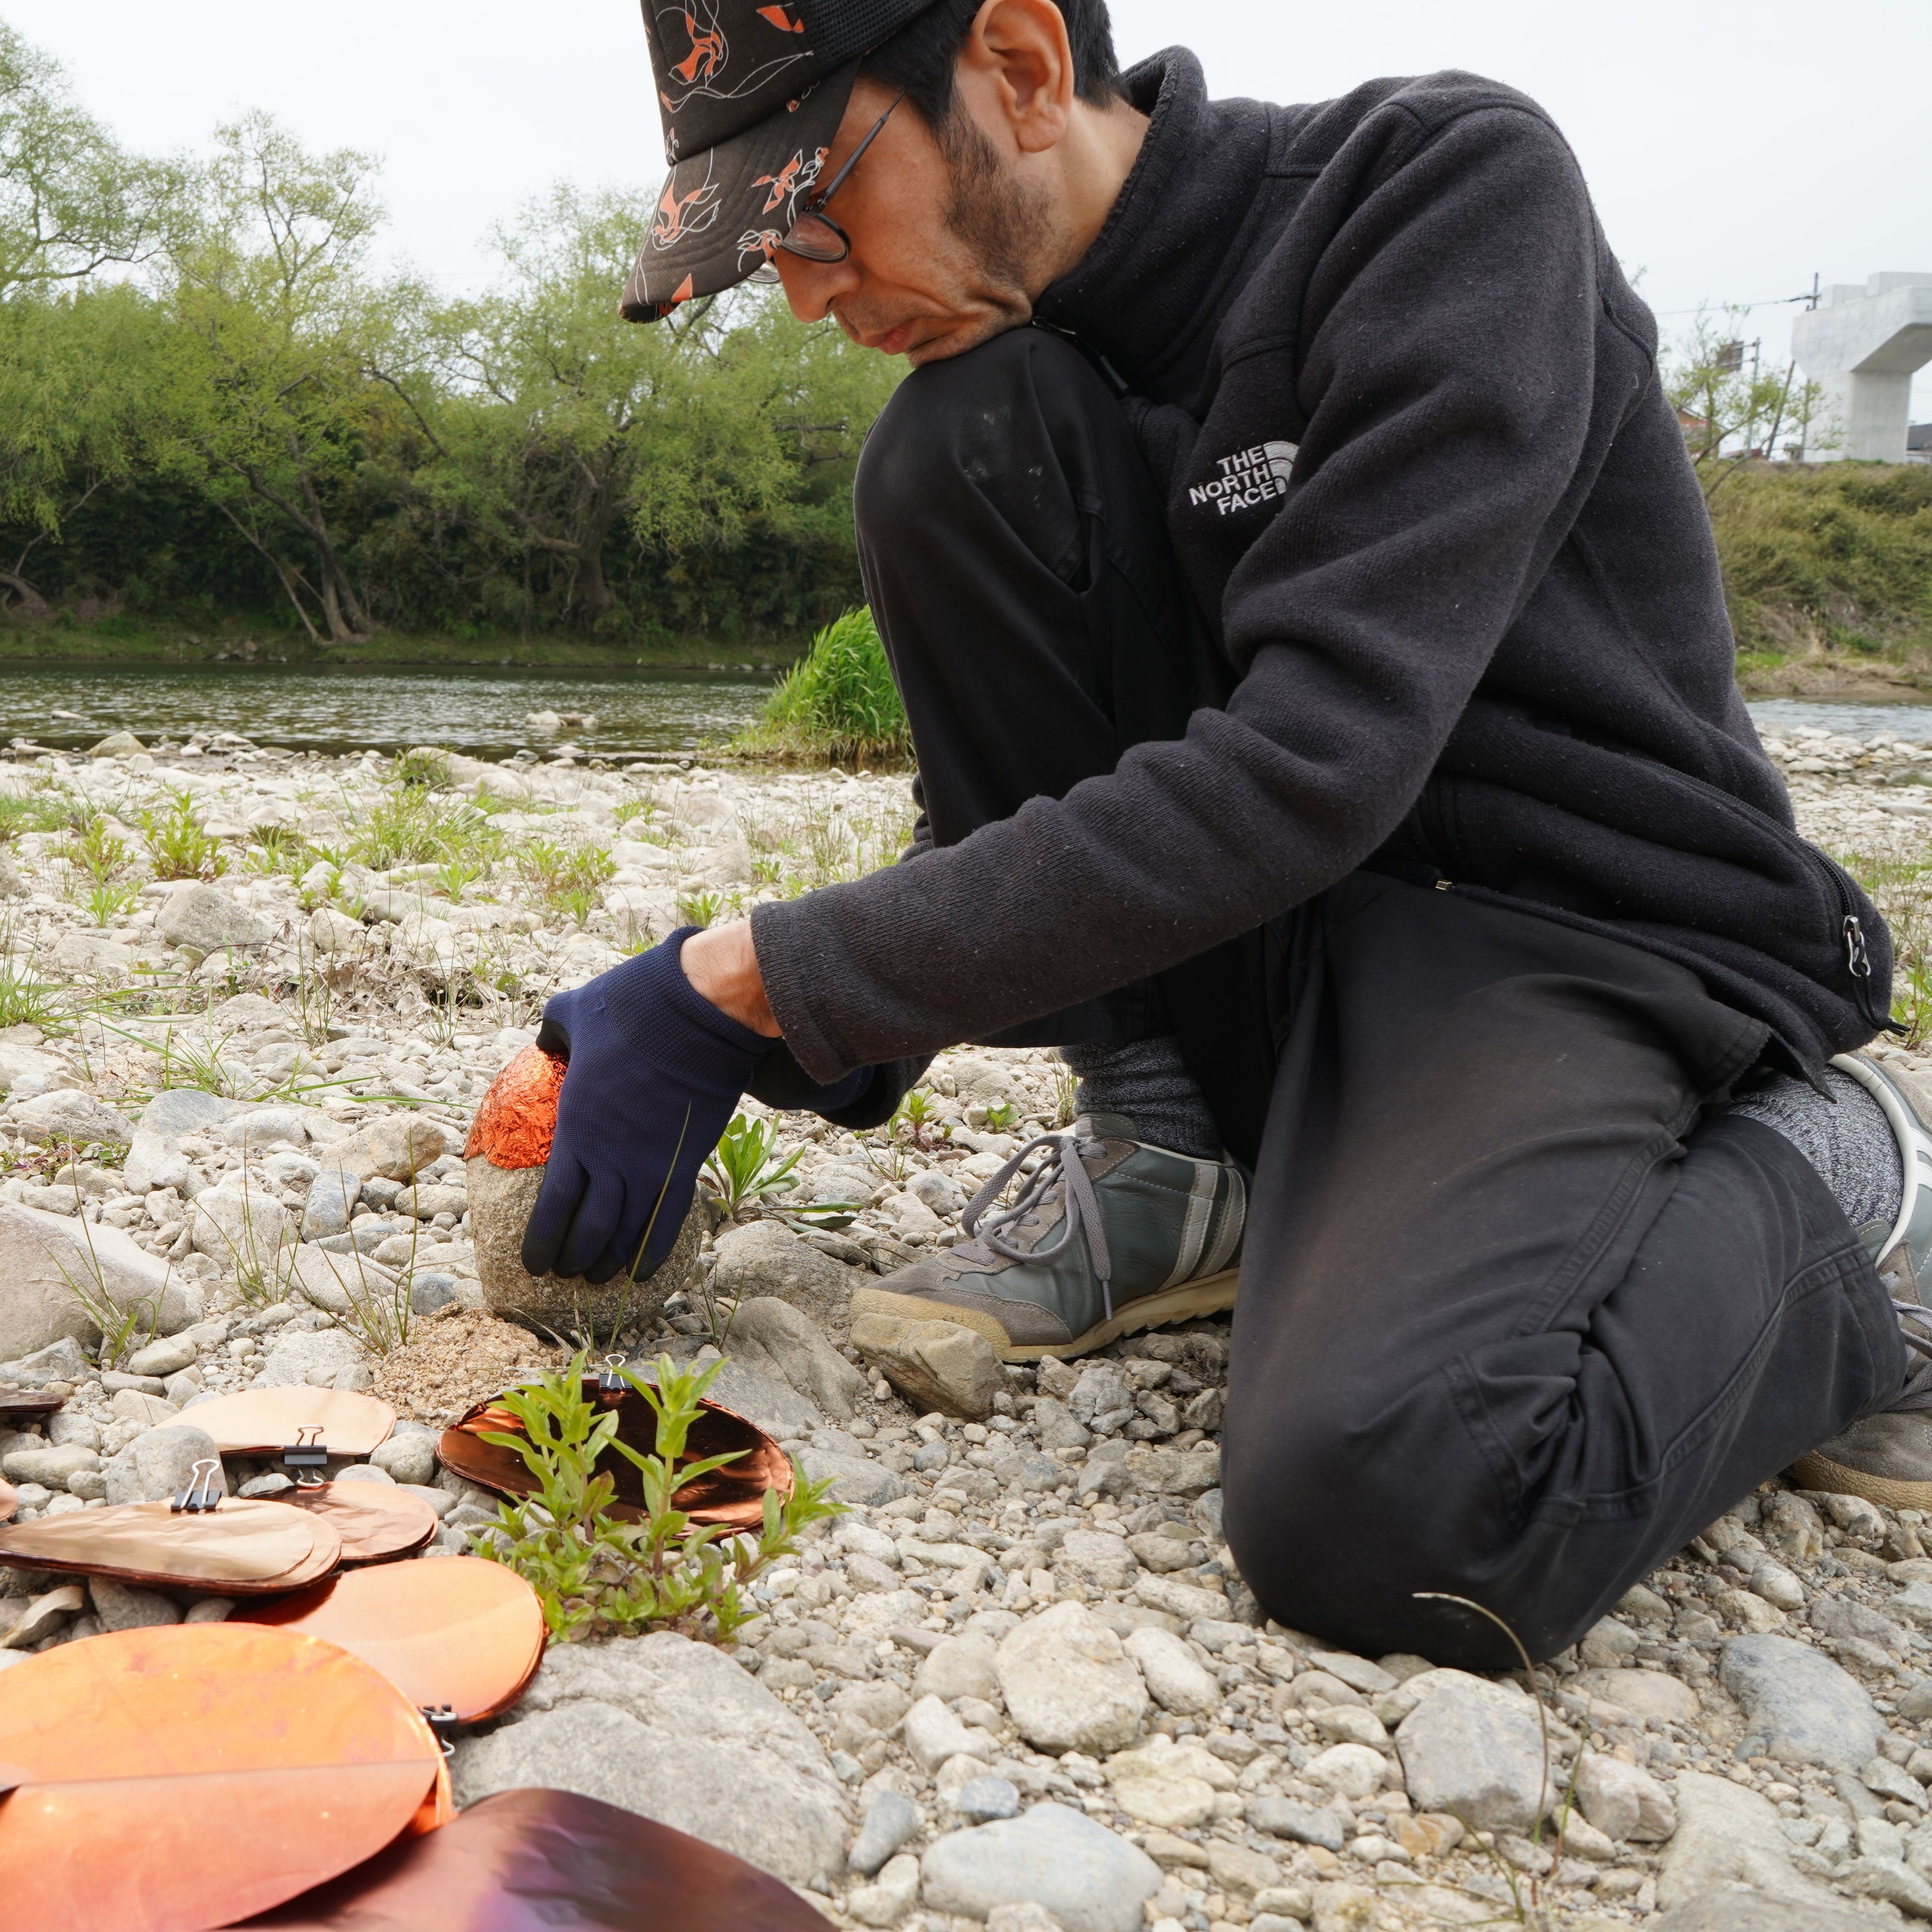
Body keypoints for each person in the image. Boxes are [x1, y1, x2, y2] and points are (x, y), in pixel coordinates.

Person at [524, 0, 1932, 1665]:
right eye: (768, 252)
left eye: (816, 210)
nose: (808, 292)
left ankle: (1841, 1174)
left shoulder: (1439, 199)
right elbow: (1045, 813)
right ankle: (1177, 1153)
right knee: (947, 447)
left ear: (1021, 68)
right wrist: (805, 1025)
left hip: (1569, 936)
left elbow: (1313, 764)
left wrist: (766, 971)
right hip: (1288, 945)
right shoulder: (1022, 379)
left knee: (1402, 1506)